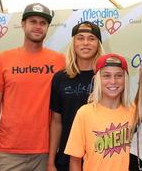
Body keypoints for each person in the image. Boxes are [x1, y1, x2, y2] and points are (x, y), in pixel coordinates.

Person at [0, 3, 65, 171]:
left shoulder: (60, 61)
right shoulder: (4, 58)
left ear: (48, 27)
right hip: (8, 153)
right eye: (33, 21)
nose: (37, 26)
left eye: (43, 23)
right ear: (22, 24)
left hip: (44, 153)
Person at [47, 21, 104, 171]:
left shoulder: (106, 78)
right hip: (66, 158)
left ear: (98, 44)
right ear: (73, 43)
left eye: (91, 38)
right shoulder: (60, 78)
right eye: (80, 38)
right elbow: (56, 123)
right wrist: (51, 161)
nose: (85, 43)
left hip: (98, 158)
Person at [64, 53, 135, 171]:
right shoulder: (84, 113)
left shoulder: (135, 112)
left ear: (125, 79)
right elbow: (75, 159)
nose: (113, 81)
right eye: (106, 76)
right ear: (97, 79)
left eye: (118, 75)